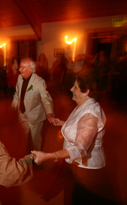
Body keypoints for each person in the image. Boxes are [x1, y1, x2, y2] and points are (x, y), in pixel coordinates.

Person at [31, 72, 113, 204]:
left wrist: (48, 156)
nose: (71, 89)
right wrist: (63, 123)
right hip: (76, 166)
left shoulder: (90, 115)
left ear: (86, 91)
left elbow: (79, 149)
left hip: (87, 171)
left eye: (75, 87)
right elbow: (80, 126)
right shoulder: (84, 105)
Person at [11, 58, 54, 151]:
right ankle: (27, 153)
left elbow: (46, 99)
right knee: (24, 138)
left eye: (22, 67)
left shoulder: (39, 82)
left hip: (35, 115)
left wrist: (49, 113)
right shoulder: (19, 78)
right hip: (21, 114)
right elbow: (17, 94)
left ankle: (37, 157)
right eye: (20, 67)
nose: (19, 70)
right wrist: (14, 105)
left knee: (36, 139)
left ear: (30, 69)